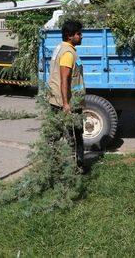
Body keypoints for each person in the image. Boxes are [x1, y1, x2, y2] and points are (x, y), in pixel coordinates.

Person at [47, 20, 85, 168]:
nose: (81, 36)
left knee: (56, 135)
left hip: (57, 100)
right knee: (75, 137)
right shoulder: (68, 54)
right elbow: (64, 80)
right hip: (68, 102)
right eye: (78, 34)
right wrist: (66, 104)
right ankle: (77, 167)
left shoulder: (60, 48)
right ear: (70, 36)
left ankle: (54, 164)